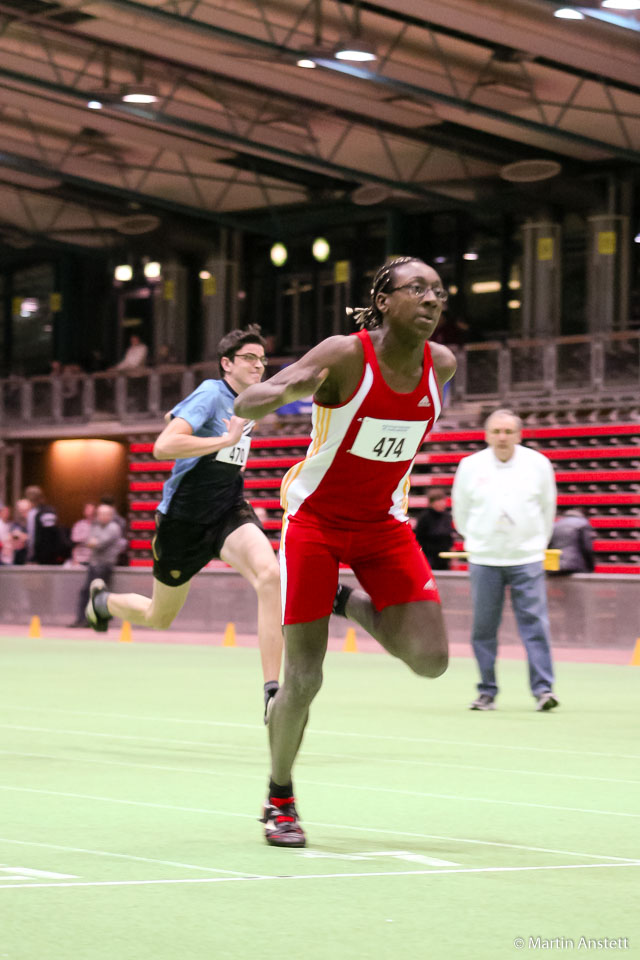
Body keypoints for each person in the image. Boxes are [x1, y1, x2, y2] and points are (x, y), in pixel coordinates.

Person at [235, 256, 456, 848]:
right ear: (384, 300)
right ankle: (280, 796)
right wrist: (268, 394)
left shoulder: (443, 365)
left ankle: (347, 601)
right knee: (303, 679)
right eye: (417, 289)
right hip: (316, 523)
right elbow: (270, 390)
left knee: (432, 659)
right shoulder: (345, 354)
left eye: (438, 291)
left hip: (384, 525)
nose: (432, 299)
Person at [84, 326, 283, 720]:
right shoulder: (213, 392)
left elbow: (181, 418)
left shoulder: (249, 401)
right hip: (183, 520)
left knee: (270, 575)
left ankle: (273, 694)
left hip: (228, 509)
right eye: (249, 358)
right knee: (160, 616)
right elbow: (163, 446)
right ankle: (103, 602)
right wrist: (221, 441)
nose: (258, 365)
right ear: (227, 363)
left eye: (262, 359)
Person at [451, 409, 559, 713]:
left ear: (518, 434)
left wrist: (537, 543)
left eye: (508, 432)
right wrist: (476, 538)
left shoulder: (538, 464)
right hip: (484, 558)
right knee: (483, 627)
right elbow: (460, 510)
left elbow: (547, 507)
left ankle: (543, 689)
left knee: (535, 625)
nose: (502, 437)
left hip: (526, 557)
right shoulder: (470, 466)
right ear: (487, 435)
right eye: (496, 431)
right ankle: (486, 691)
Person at [71, 504, 123, 627]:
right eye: (100, 514)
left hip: (105, 565)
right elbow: (89, 541)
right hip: (93, 564)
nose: (102, 516)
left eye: (106, 514)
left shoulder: (114, 528)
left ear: (110, 515)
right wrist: (93, 542)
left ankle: (94, 620)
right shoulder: (95, 526)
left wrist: (94, 542)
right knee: (85, 592)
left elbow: (99, 543)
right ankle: (81, 619)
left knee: (98, 593)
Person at [414, 487, 455, 570]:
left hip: (445, 558)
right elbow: (419, 538)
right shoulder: (424, 517)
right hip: (429, 558)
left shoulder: (446, 516)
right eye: (438, 501)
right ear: (431, 503)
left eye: (442, 500)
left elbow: (449, 536)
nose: (442, 503)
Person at [547, 508, 595, 574]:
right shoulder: (583, 523)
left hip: (556, 565)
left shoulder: (556, 524)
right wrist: (591, 567)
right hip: (575, 564)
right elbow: (587, 548)